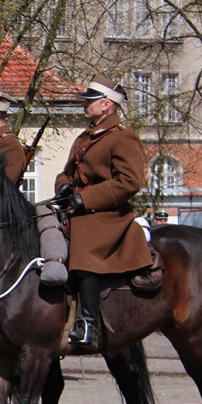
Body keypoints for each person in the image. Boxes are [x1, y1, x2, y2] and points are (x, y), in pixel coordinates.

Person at [54, 74, 153, 351]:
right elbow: (66, 172)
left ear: (107, 104)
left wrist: (85, 199)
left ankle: (88, 323)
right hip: (79, 207)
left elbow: (130, 181)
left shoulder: (123, 137)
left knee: (84, 243)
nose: (84, 104)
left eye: (90, 100)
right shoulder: (85, 137)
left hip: (108, 213)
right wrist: (64, 188)